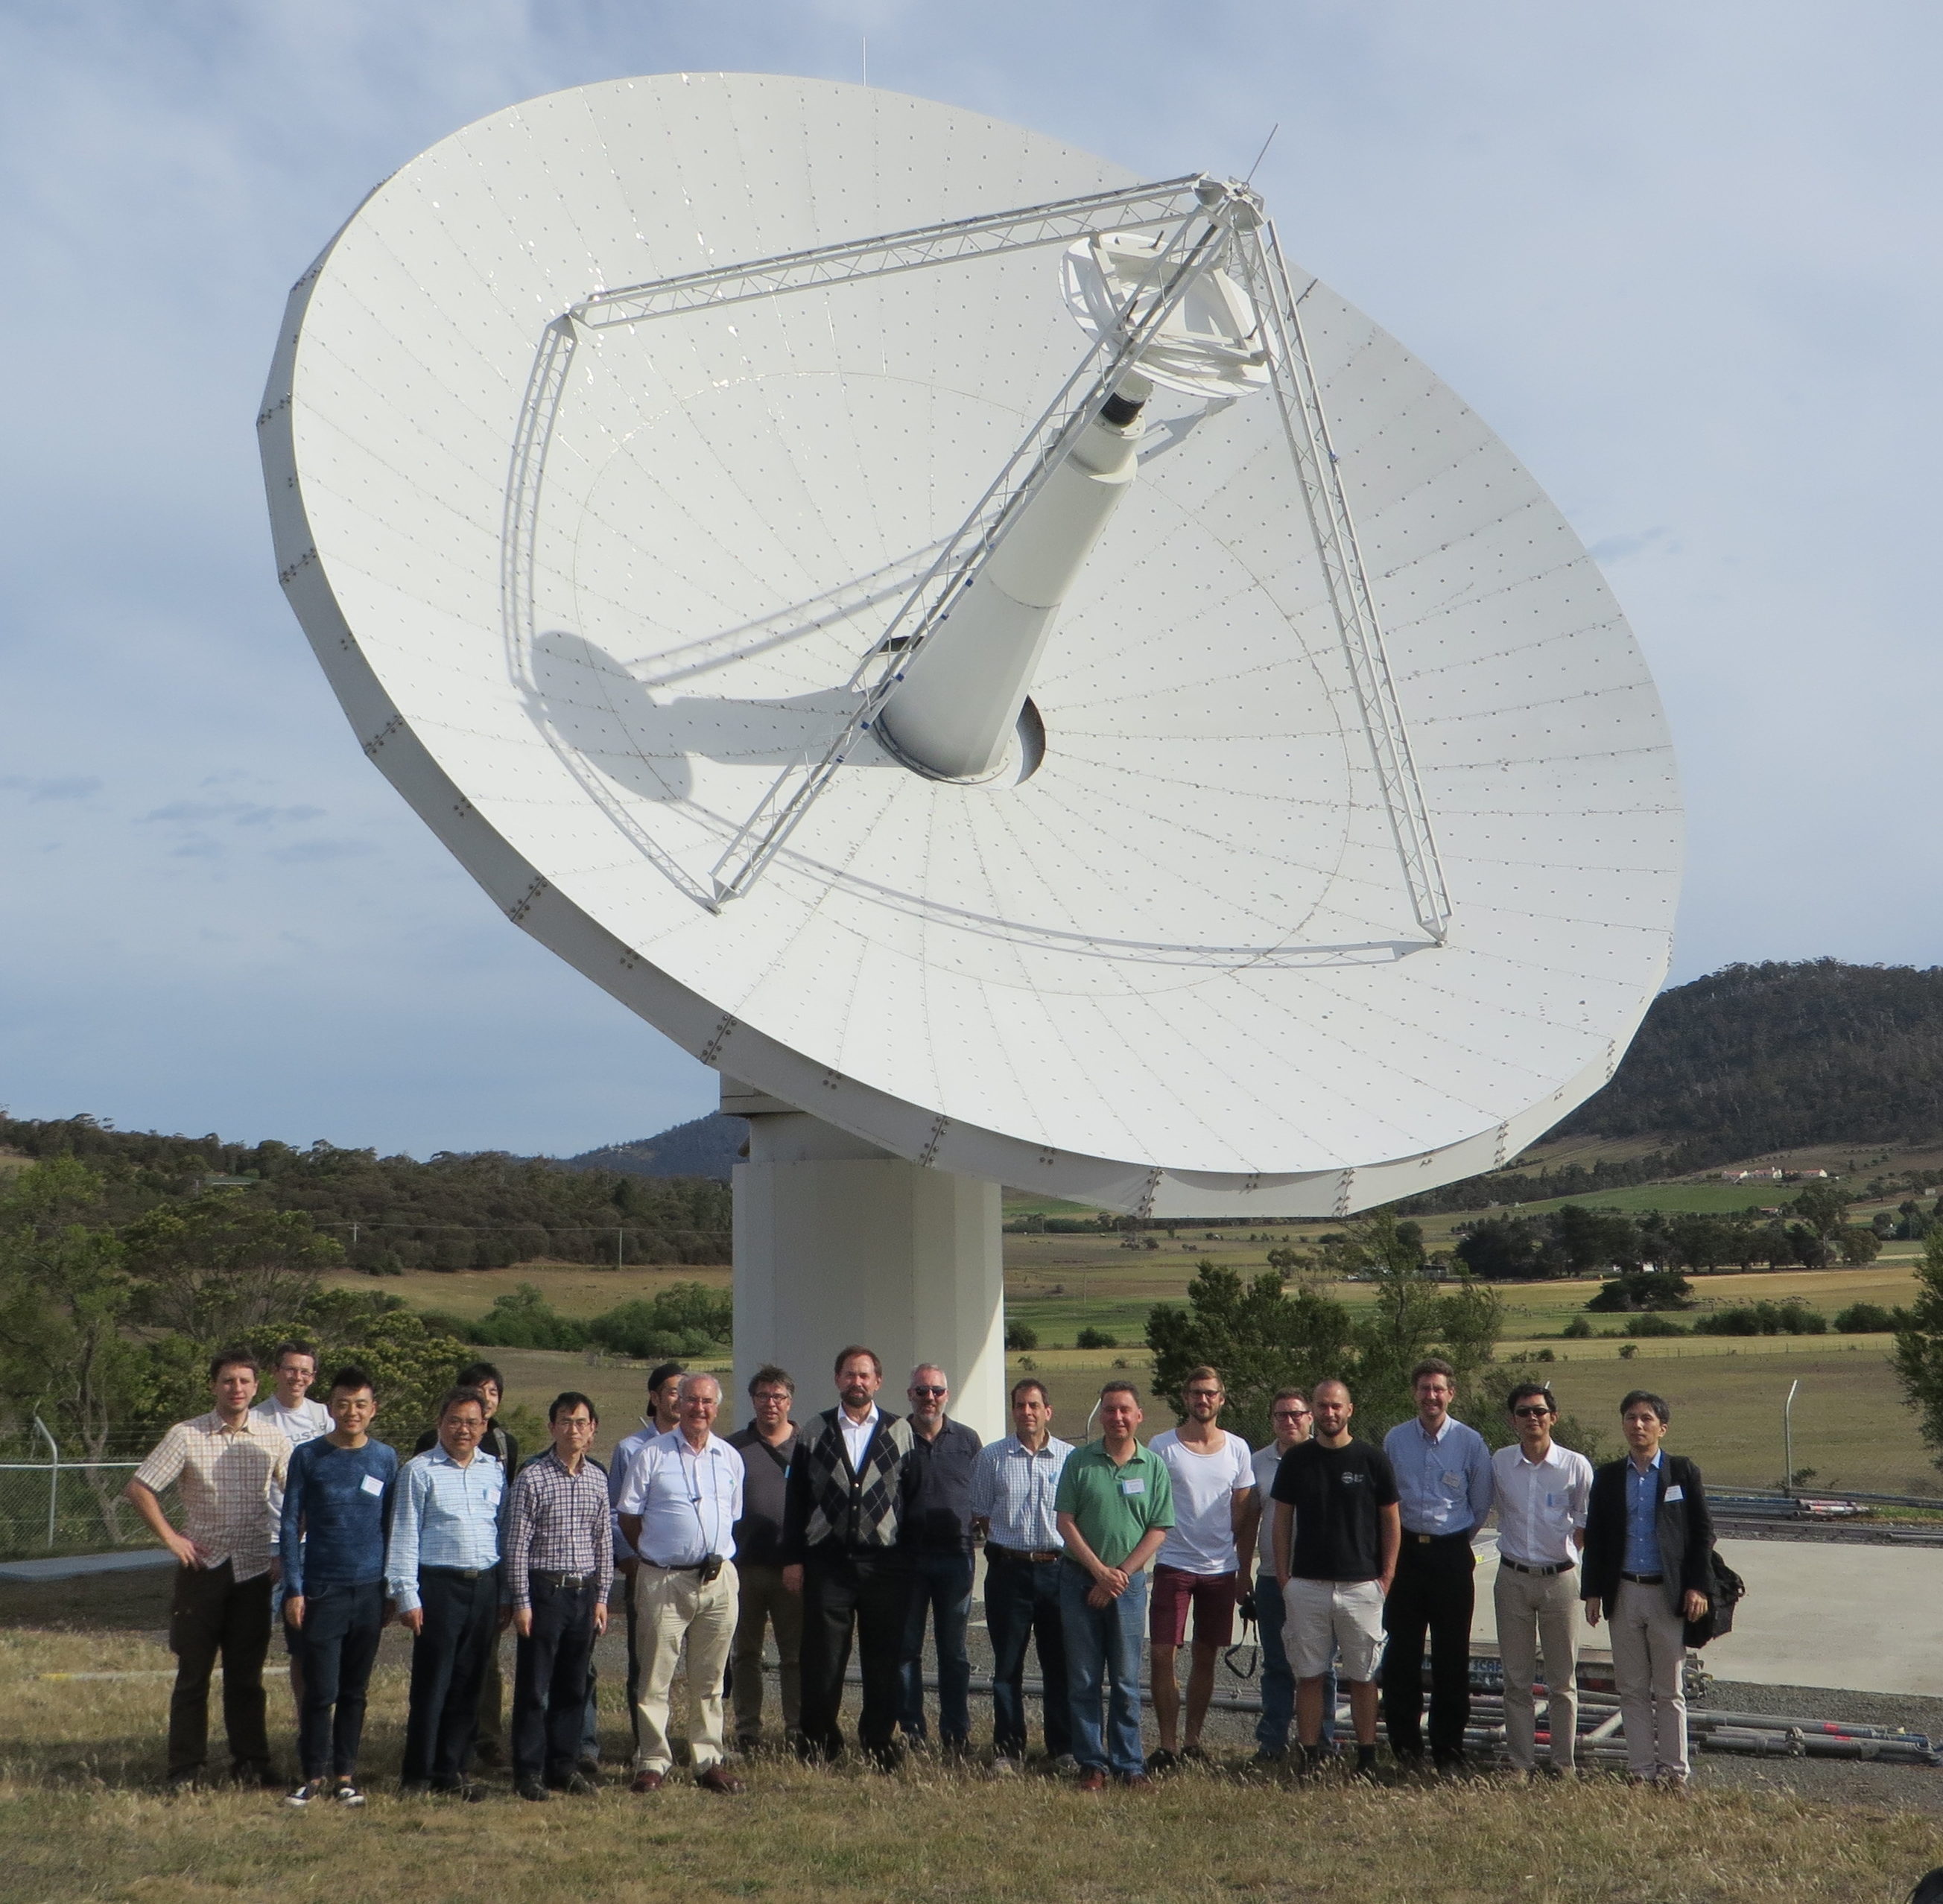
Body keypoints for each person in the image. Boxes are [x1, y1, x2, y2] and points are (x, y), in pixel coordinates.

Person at [126, 1345, 292, 1790]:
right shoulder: (186, 1435)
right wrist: (171, 1538)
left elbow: (298, 1496)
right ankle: (186, 1769)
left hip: (255, 1571)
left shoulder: (273, 1438)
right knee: (193, 1675)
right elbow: (140, 1487)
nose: (236, 1389)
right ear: (213, 1386)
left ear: (257, 1387)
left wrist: (286, 1552)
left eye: (244, 1381)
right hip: (203, 1570)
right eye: (227, 1381)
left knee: (247, 1677)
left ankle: (251, 1763)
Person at [782, 1345, 917, 1769]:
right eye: (848, 1375)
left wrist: (909, 1562)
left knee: (883, 1660)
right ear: (837, 1379)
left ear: (878, 1381)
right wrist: (793, 1559)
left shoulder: (900, 1432)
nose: (856, 1382)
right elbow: (796, 1501)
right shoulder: (813, 1430)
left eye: (864, 1375)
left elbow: (911, 1501)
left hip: (885, 1565)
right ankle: (820, 1743)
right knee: (822, 1660)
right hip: (828, 1562)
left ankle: (878, 1743)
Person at [617, 1372, 747, 1795]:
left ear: (717, 1407)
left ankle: (707, 1759)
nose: (699, 1409)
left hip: (718, 1580)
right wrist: (658, 1556)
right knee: (655, 1675)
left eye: (708, 1402)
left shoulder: (729, 1457)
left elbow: (733, 1515)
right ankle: (653, 1760)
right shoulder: (650, 1455)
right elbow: (629, 1517)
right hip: (664, 1579)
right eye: (691, 1400)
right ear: (677, 1403)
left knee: (711, 1679)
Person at [1582, 1389, 1715, 1788]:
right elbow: (1599, 1538)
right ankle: (1640, 1771)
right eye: (1630, 1418)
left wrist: (1697, 1586)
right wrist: (1593, 1592)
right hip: (1624, 1593)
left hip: (1666, 1594)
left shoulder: (1681, 1472)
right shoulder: (1607, 1477)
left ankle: (1674, 1773)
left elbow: (1701, 1533)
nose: (1637, 1426)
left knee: (1669, 1689)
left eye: (1646, 1419)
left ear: (1662, 1427)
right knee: (1632, 1689)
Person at [280, 1363, 397, 1807]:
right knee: (320, 1689)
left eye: (361, 1404)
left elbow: (391, 1526)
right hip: (321, 1588)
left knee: (355, 1690)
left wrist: (390, 1589)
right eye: (344, 1404)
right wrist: (294, 1587)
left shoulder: (385, 1458)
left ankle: (346, 1774)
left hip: (368, 1590)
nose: (352, 1412)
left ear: (373, 1410)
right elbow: (291, 1523)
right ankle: (311, 1774)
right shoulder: (309, 1456)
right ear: (330, 1407)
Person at [1272, 1377, 1399, 1779]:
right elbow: (1281, 1522)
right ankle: (1309, 1757)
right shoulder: (1297, 1460)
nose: (1330, 1413)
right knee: (1309, 1675)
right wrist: (1284, 1578)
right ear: (1314, 1410)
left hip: (1362, 1585)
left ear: (1350, 1410)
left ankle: (1366, 1759)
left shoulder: (1372, 1460)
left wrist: (1386, 1579)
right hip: (1306, 1585)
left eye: (1336, 1406)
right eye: (1322, 1406)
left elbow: (1391, 1521)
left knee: (1363, 1676)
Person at [387, 1386, 510, 1797]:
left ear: (485, 1426)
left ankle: (454, 1770)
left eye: (473, 1422)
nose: (464, 1429)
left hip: (484, 1585)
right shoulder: (418, 1471)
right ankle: (418, 1774)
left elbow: (503, 1532)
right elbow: (403, 1534)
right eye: (455, 1420)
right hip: (439, 1587)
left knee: (469, 1683)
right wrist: (407, 1594)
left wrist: (505, 1595)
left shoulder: (493, 1470)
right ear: (440, 1423)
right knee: (432, 1683)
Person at [1053, 1380, 1175, 1792]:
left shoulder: (1153, 1466)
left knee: (1125, 1679)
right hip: (1077, 1581)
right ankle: (1092, 1763)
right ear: (1100, 1415)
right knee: (1084, 1678)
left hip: (1129, 1586)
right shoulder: (1079, 1462)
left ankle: (1130, 1763)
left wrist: (1118, 1575)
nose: (1117, 1417)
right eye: (1109, 1409)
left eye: (1125, 1410)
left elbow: (1159, 1528)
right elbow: (1065, 1521)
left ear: (1139, 1416)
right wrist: (1099, 1572)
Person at [1380, 1356, 1493, 1772]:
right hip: (1405, 1554)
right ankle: (1405, 1749)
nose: (1431, 1396)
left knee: (1451, 1657)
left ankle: (1449, 1749)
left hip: (1450, 1555)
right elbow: (1385, 1501)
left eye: (1438, 1389)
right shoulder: (1395, 1440)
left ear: (1451, 1393)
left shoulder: (1470, 1442)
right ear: (1415, 1393)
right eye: (1424, 1388)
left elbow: (1480, 1505)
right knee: (1402, 1656)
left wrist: (1454, 1541)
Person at [505, 1391, 612, 1800]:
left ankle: (564, 1765)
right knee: (535, 1687)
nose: (574, 1429)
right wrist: (521, 1602)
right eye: (565, 1421)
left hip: (583, 1594)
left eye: (581, 1422)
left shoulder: (597, 1479)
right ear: (552, 1427)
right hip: (544, 1592)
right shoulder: (532, 1477)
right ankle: (528, 1769)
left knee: (573, 1685)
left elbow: (604, 1542)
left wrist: (602, 1597)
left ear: (592, 1431)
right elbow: (517, 1544)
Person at [1146, 1365, 1255, 1770]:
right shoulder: (1162, 1446)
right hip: (1173, 1563)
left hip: (1220, 1569)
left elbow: (1243, 1514)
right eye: (1195, 1393)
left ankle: (1193, 1740)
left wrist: (1242, 1571)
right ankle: (1168, 1744)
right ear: (1184, 1397)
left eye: (1210, 1393)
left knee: (1206, 1655)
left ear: (1221, 1398)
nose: (1202, 1399)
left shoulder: (1237, 1449)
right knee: (1162, 1654)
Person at [415, 1359, 519, 1768]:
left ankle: (482, 1741)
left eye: (493, 1393)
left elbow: (506, 1515)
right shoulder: (427, 1452)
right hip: (440, 1577)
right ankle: (430, 1755)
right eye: (478, 1392)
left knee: (483, 1665)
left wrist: (507, 1587)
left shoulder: (502, 1451)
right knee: (440, 1667)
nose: (485, 1401)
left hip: (485, 1574)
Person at [970, 1377, 1074, 1772]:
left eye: (1034, 1405)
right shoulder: (992, 1458)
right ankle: (1008, 1750)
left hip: (1057, 1571)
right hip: (1008, 1572)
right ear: (1012, 1410)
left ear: (1047, 1411)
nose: (1026, 1413)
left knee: (1058, 1666)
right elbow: (980, 1511)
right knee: (1007, 1667)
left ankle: (1062, 1748)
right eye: (1019, 1406)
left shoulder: (1069, 1458)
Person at [1492, 1383, 1593, 1778]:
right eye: (1522, 1412)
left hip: (1560, 1582)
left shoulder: (1575, 1465)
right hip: (1513, 1578)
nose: (1531, 1418)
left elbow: (1584, 1525)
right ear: (1512, 1420)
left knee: (1562, 1681)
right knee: (1515, 1679)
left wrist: (1570, 1562)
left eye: (1539, 1411)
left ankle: (1562, 1765)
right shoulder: (1499, 1463)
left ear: (1553, 1417)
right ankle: (1520, 1763)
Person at [1237, 1389, 1334, 1762]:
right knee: (1277, 1665)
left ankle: (1321, 1743)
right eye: (1281, 1416)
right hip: (1273, 1578)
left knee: (1321, 1667)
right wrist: (1242, 1574)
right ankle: (1272, 1743)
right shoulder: (1257, 1463)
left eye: (1296, 1414)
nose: (1289, 1422)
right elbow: (1249, 1523)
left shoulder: (1328, 1456)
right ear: (1272, 1420)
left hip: (1320, 1579)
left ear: (1310, 1417)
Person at [897, 1362, 983, 1755]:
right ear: (909, 1395)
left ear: (946, 1395)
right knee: (906, 1649)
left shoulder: (967, 1440)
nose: (929, 1398)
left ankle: (955, 1733)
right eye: (921, 1391)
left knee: (954, 1652)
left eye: (936, 1391)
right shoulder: (894, 1437)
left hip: (956, 1559)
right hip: (908, 1561)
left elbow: (982, 1498)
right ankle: (912, 1732)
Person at [608, 1360, 687, 1759]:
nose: (681, 1399)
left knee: (703, 1667)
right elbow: (616, 1514)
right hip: (650, 1571)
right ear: (655, 1397)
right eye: (673, 1391)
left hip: (695, 1576)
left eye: (686, 1392)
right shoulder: (631, 1449)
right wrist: (633, 1561)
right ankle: (647, 1745)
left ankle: (695, 1742)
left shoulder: (704, 1446)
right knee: (648, 1663)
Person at [726, 1363, 802, 1752]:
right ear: (752, 1400)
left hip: (793, 1569)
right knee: (745, 1654)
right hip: (744, 1569)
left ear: (790, 1401)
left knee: (795, 1655)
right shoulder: (732, 1448)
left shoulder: (808, 1445)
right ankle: (747, 1731)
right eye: (762, 1396)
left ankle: (797, 1729)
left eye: (778, 1397)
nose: (770, 1404)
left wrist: (801, 1560)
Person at [254, 1340, 332, 1715]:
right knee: (254, 1637)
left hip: (317, 1542)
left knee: (308, 1637)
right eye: (290, 1369)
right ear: (275, 1371)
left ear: (313, 1377)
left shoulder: (326, 1417)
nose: (297, 1377)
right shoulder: (258, 1418)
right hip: (271, 1541)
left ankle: (311, 1720)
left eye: (305, 1371)